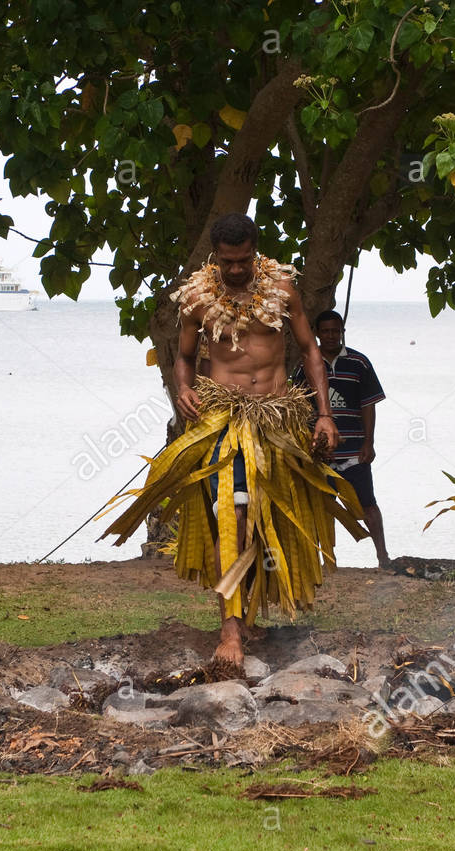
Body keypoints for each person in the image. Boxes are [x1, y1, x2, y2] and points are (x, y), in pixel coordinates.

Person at [99, 214, 368, 668]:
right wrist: (182, 389)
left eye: (244, 260)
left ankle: (246, 614)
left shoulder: (282, 290)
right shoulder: (198, 299)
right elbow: (183, 359)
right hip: (225, 418)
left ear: (255, 251)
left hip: (278, 419)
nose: (237, 270)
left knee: (269, 520)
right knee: (234, 512)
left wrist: (324, 414)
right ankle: (229, 627)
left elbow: (309, 351)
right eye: (228, 262)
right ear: (215, 255)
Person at [293, 310, 390, 567]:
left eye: (336, 331)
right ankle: (325, 561)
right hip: (320, 452)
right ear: (316, 333)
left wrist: (369, 442)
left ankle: (383, 556)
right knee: (321, 506)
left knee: (368, 504)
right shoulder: (305, 367)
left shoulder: (359, 363)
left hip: (354, 451)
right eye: (325, 331)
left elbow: (369, 405)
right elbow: (298, 409)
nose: (331, 336)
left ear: (342, 332)